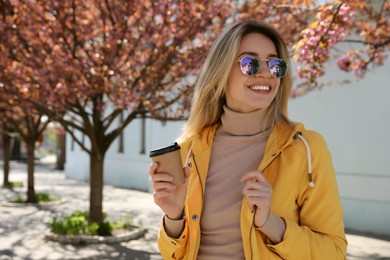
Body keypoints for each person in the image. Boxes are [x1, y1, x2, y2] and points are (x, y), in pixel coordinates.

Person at [148, 20, 347, 259]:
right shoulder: (189, 150)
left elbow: (334, 252)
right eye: (250, 63)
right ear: (221, 72)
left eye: (275, 64)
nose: (265, 73)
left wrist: (271, 223)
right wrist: (173, 217)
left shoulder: (306, 149)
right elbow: (171, 253)